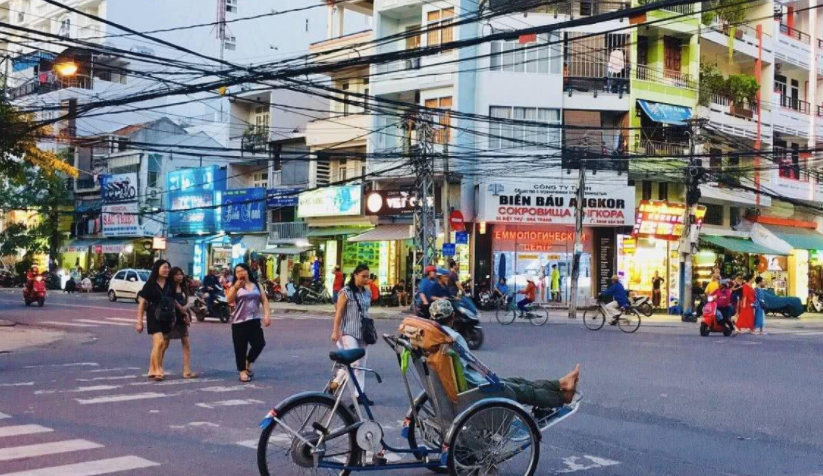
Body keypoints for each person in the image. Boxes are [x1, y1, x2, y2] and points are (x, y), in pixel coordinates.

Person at [429, 300, 580, 410]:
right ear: (452, 317)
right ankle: (561, 397)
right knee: (522, 390)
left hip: (464, 384)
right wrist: (490, 377)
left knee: (518, 381)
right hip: (473, 388)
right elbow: (472, 363)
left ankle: (560, 383)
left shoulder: (433, 339)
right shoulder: (453, 338)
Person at [330, 264, 373, 404]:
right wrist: (335, 331)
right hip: (349, 332)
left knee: (361, 365)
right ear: (355, 275)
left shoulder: (367, 292)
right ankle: (350, 389)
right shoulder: (346, 292)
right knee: (354, 363)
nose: (366, 279)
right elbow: (339, 313)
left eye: (368, 276)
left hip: (364, 333)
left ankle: (359, 394)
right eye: (363, 276)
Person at [226, 263, 272, 383]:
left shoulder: (256, 284)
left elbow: (264, 299)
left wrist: (267, 315)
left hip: (254, 319)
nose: (240, 273)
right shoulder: (235, 286)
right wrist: (236, 288)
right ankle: (242, 371)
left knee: (259, 343)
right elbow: (229, 300)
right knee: (240, 347)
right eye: (237, 272)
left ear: (247, 271)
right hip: (239, 321)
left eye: (242, 270)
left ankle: (248, 361)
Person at [136, 260, 172, 381]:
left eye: (168, 268)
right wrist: (139, 321)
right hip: (153, 315)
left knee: (163, 344)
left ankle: (153, 368)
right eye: (164, 267)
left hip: (166, 316)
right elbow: (141, 303)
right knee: (159, 341)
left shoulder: (169, 284)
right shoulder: (150, 284)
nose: (167, 270)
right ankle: (157, 370)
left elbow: (173, 300)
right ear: (157, 268)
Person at [166, 267, 198, 379]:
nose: (179, 276)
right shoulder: (169, 287)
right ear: (172, 276)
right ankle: (157, 367)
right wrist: (182, 309)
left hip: (181, 318)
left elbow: (186, 302)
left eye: (181, 274)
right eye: (176, 274)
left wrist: (187, 314)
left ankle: (187, 370)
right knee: (164, 344)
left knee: (186, 343)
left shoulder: (184, 287)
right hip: (172, 318)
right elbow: (172, 300)